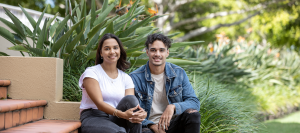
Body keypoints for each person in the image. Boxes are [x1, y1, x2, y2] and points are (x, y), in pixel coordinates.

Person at [129, 33, 201, 133]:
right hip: (148, 127)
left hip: (173, 125)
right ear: (147, 52)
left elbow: (194, 102)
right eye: (153, 50)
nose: (157, 54)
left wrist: (173, 107)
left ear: (167, 53)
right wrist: (152, 125)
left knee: (193, 115)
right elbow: (132, 112)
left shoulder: (179, 73)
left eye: (161, 50)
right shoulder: (135, 78)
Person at [79, 33, 147, 133]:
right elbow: (99, 104)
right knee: (119, 132)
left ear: (120, 51)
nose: (112, 52)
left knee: (131, 99)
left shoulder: (126, 78)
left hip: (116, 118)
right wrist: (123, 115)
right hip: (94, 117)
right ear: (101, 53)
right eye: (107, 49)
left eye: (115, 48)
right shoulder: (92, 73)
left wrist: (141, 113)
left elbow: (132, 105)